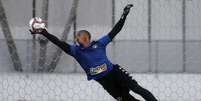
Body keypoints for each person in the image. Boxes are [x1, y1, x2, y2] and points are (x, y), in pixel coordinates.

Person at [29, 4, 158, 101]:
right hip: (106, 83)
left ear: (89, 39)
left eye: (84, 36)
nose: (81, 38)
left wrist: (124, 16)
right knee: (127, 100)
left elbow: (115, 31)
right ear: (77, 41)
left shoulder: (99, 44)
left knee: (138, 89)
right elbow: (58, 42)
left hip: (115, 73)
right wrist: (44, 32)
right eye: (78, 37)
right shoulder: (76, 51)